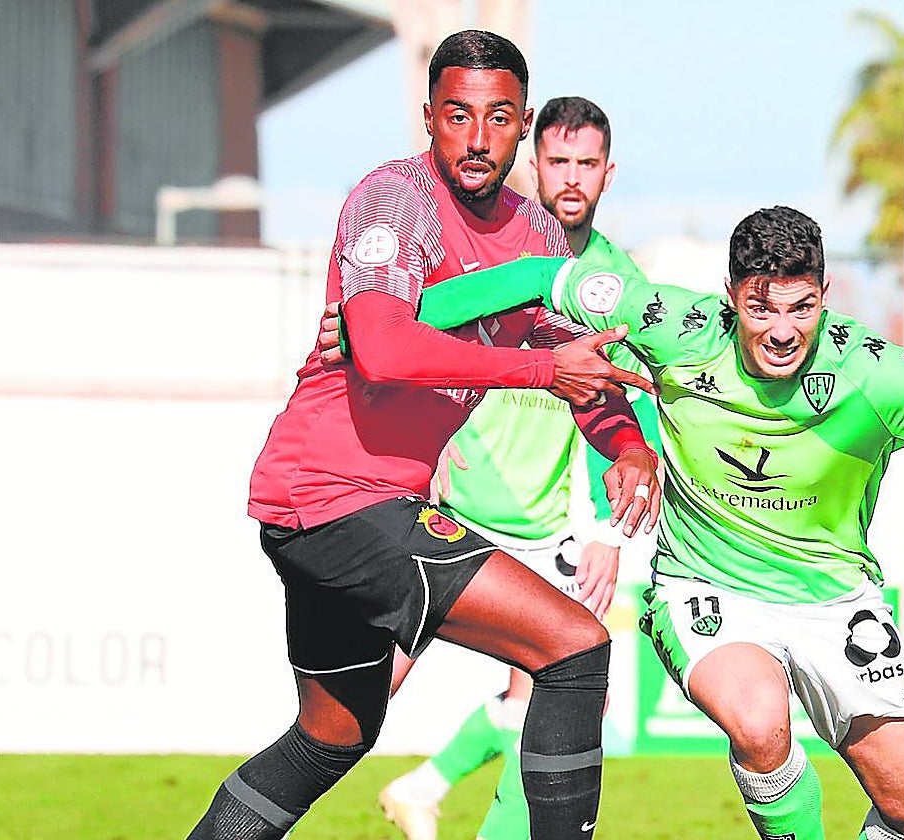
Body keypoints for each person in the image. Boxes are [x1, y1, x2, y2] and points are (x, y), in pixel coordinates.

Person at [330, 205, 904, 840]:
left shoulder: (876, 371)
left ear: (825, 295)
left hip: (837, 598)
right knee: (758, 719)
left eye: (801, 307)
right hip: (704, 588)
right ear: (728, 298)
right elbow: (532, 278)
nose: (782, 330)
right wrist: (387, 327)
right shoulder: (676, 323)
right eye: (760, 307)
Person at [184, 31, 661, 840]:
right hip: (333, 494)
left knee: (332, 735)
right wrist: (550, 374)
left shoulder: (538, 237)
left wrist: (626, 444)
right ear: (430, 117)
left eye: (499, 117)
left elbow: (575, 362)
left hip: (356, 506)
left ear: (524, 124)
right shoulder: (393, 198)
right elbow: (383, 344)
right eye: (458, 115)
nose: (478, 139)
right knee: (575, 648)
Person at [373, 96, 662, 840]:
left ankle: (436, 796)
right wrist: (420, 454)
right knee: (366, 696)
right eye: (558, 161)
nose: (571, 177)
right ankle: (395, 785)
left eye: (586, 163)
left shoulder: (614, 282)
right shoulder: (488, 246)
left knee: (562, 700)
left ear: (608, 172)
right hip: (454, 502)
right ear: (535, 163)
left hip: (543, 526)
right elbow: (411, 338)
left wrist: (610, 531)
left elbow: (637, 402)